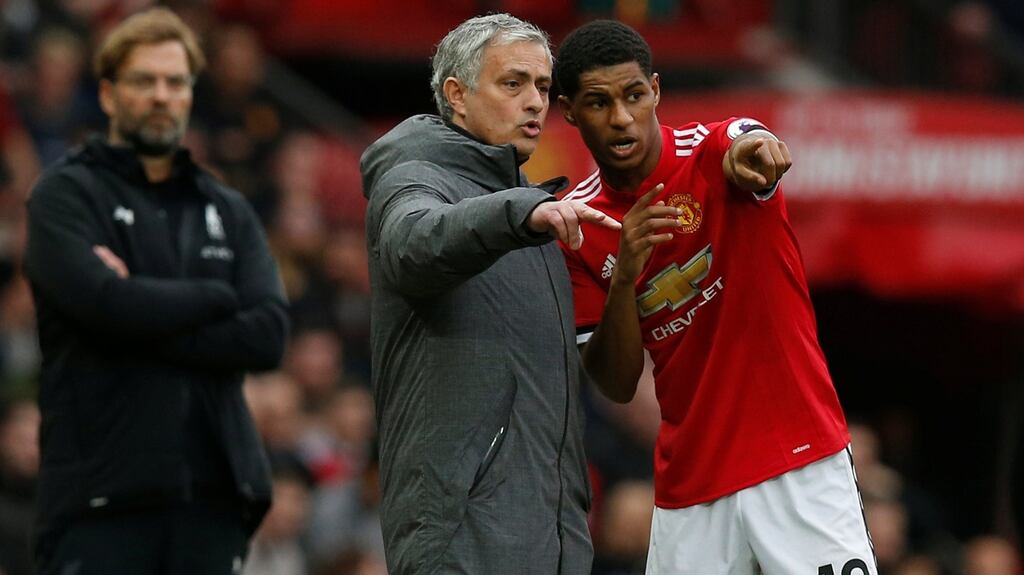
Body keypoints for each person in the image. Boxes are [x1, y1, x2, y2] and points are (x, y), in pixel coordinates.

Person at [553, 20, 875, 574]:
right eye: (599, 103)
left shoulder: (710, 150)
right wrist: (626, 276)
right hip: (690, 491)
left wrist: (758, 154)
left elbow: (748, 144)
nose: (622, 117)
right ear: (570, 112)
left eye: (634, 95)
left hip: (797, 461)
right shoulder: (579, 224)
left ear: (655, 90)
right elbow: (616, 382)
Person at [23, 8, 288, 574]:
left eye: (175, 81)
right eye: (143, 80)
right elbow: (102, 305)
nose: (161, 95)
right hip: (99, 502)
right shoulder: (65, 196)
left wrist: (136, 309)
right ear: (109, 93)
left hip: (212, 499)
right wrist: (216, 298)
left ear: (191, 93)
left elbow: (268, 336)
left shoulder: (226, 207)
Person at [361, 13, 619, 575]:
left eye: (544, 87)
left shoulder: (534, 211)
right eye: (513, 83)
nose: (535, 102)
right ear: (456, 94)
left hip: (554, 539)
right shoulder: (412, 174)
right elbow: (412, 243)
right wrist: (520, 213)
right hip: (462, 536)